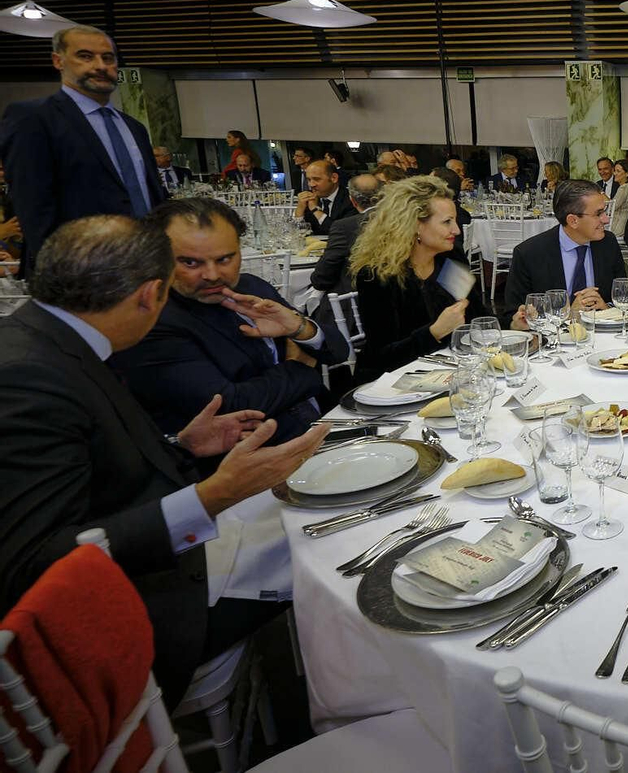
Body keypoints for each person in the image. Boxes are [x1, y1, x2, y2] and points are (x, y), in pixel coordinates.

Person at [0, 215, 330, 706]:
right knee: (333, 559)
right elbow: (35, 566)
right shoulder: (28, 377)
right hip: (128, 622)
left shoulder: (46, 340)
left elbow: (89, 474)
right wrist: (214, 495)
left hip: (151, 559)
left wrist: (182, 445)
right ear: (152, 294)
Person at [110, 198, 348, 442]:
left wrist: (302, 329)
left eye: (225, 259)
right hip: (255, 455)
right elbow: (230, 407)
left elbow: (339, 350)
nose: (212, 275)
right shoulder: (151, 322)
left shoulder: (251, 286)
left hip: (327, 423)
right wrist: (301, 367)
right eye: (190, 262)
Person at [0, 25, 166, 274]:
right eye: (85, 56)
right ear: (58, 61)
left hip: (147, 263)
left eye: (108, 58)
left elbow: (153, 198)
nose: (100, 66)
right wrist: (64, 275)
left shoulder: (134, 127)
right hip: (82, 271)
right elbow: (33, 206)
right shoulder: (33, 118)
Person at [349, 176, 487, 381]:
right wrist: (434, 333)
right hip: (395, 384)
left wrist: (513, 323)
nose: (456, 230)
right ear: (415, 225)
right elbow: (381, 356)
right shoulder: (378, 276)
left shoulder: (449, 259)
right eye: (447, 222)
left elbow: (479, 318)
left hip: (454, 374)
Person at [505, 180, 624, 327]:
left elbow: (624, 298)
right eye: (598, 214)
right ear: (573, 221)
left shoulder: (608, 243)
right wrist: (568, 316)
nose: (606, 219)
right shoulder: (529, 254)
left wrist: (606, 309)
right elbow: (511, 315)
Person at [311, 173, 382, 293]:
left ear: (352, 201)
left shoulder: (345, 227)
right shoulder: (401, 219)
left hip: (359, 297)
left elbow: (322, 278)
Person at [296, 159, 355, 236]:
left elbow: (340, 232)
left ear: (334, 178)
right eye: (309, 180)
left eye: (316, 179)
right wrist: (299, 211)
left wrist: (315, 210)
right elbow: (296, 235)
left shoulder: (351, 200)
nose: (311, 185)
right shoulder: (309, 199)